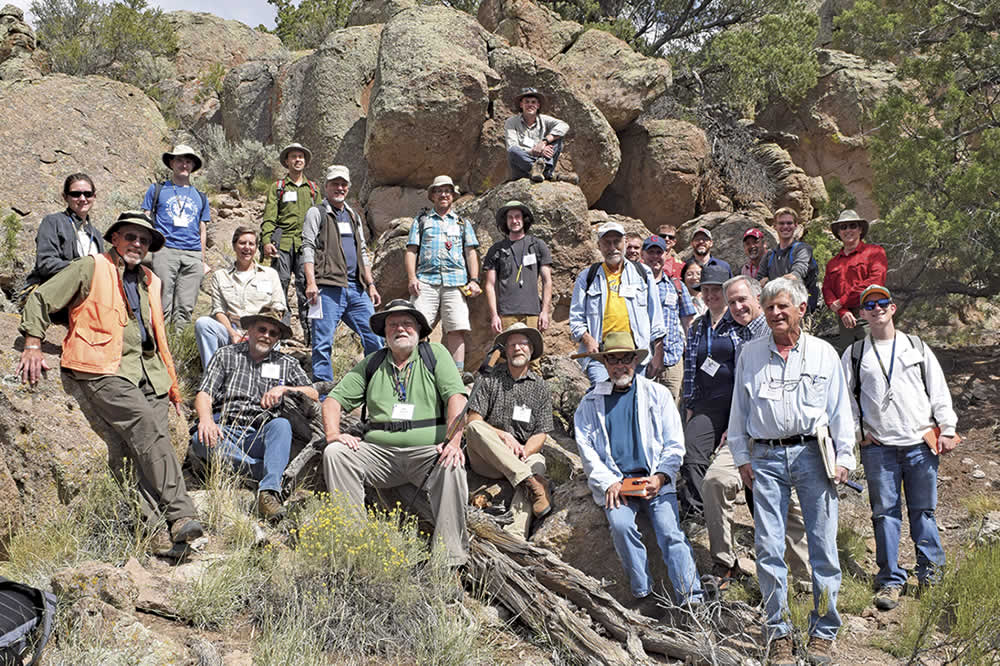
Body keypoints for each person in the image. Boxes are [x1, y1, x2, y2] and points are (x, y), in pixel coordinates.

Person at [17, 211, 203, 556]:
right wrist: (32, 344)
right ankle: (182, 513)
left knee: (150, 445)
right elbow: (42, 298)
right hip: (103, 367)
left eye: (144, 240)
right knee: (146, 429)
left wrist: (173, 385)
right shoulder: (91, 266)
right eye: (131, 237)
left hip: (150, 372)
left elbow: (158, 336)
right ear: (115, 238)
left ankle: (159, 535)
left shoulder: (150, 279)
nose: (137, 244)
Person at [728, 277, 856, 664]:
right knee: (768, 546)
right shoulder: (750, 354)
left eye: (782, 306)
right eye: (769, 308)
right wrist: (741, 457)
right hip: (765, 458)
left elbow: (840, 412)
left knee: (822, 545)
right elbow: (739, 411)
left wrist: (845, 456)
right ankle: (778, 631)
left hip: (813, 455)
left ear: (801, 308)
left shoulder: (823, 354)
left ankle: (823, 631)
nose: (775, 313)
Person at [321, 299, 469, 567]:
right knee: (336, 453)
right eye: (393, 325)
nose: (400, 329)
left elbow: (456, 398)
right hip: (378, 455)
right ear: (385, 333)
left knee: (452, 465)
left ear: (418, 329)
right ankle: (354, 548)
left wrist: (453, 442)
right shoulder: (372, 363)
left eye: (407, 323)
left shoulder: (435, 354)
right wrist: (333, 435)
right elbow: (333, 401)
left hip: (426, 454)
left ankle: (448, 561)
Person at [842, 285, 958, 612]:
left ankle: (931, 577)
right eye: (869, 305)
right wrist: (858, 433)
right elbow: (845, 401)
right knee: (885, 515)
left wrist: (947, 429)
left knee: (924, 512)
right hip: (879, 448)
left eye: (882, 303)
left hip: (920, 444)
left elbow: (938, 391)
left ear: (892, 308)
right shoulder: (854, 354)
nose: (876, 309)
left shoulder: (915, 347)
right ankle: (891, 580)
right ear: (862, 314)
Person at [573, 332, 704, 610]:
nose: (619, 366)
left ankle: (692, 600)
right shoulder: (589, 403)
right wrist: (608, 482)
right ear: (604, 363)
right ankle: (643, 594)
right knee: (621, 526)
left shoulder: (657, 394)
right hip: (618, 484)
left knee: (671, 532)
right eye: (612, 360)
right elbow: (587, 450)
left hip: (655, 479)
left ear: (635, 360)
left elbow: (674, 443)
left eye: (625, 359)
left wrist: (661, 476)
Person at [701, 276, 811, 591]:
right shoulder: (729, 335)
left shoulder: (777, 332)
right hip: (742, 433)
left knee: (786, 503)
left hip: (782, 437)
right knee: (715, 482)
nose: (737, 307)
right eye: (731, 301)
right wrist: (732, 432)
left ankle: (804, 580)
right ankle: (724, 562)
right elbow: (737, 395)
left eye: (742, 299)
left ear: (757, 299)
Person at [193, 307, 318, 520]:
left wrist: (285, 389)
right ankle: (262, 472)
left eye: (273, 333)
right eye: (262, 329)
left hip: (261, 432)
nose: (266, 336)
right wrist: (205, 419)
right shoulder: (226, 355)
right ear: (250, 330)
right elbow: (205, 393)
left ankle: (268, 493)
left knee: (281, 426)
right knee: (200, 440)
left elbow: (313, 392)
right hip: (226, 428)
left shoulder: (286, 363)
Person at [464, 323, 554, 537]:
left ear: (531, 350)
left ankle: (515, 533)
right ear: (506, 351)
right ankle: (532, 483)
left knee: (538, 462)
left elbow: (541, 432)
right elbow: (473, 419)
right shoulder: (489, 379)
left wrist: (525, 452)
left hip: (521, 455)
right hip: (488, 458)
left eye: (523, 344)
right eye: (512, 344)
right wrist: (502, 435)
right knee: (475, 427)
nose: (517, 348)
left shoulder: (540, 387)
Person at [302, 165, 383, 382]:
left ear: (348, 187)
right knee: (322, 342)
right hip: (326, 288)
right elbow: (307, 247)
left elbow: (363, 252)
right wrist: (311, 283)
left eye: (343, 184)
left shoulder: (353, 216)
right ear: (325, 186)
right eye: (335, 184)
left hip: (356, 289)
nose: (339, 188)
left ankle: (374, 384)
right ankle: (323, 393)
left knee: (375, 338)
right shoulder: (316, 212)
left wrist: (371, 285)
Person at [677, 263, 742, 522]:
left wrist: (738, 416)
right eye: (706, 289)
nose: (711, 295)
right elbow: (691, 368)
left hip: (736, 403)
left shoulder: (740, 325)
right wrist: (690, 404)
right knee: (692, 453)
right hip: (706, 404)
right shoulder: (697, 327)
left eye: (716, 289)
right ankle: (698, 514)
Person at [569, 221, 665, 385]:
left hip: (636, 355)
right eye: (607, 242)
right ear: (599, 246)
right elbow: (576, 319)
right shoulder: (587, 277)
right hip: (601, 357)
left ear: (625, 242)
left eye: (617, 241)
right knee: (603, 404)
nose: (612, 247)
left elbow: (656, 317)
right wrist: (588, 339)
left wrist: (658, 354)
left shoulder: (643, 273)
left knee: (636, 404)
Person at [405, 175, 481, 373]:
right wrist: (412, 278)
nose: (443, 194)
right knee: (416, 326)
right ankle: (414, 370)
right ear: (432, 196)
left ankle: (457, 374)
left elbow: (471, 252)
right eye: (439, 191)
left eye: (447, 191)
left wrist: (474, 280)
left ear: (453, 195)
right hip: (425, 282)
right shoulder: (421, 220)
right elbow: (411, 250)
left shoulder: (462, 223)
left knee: (456, 328)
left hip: (455, 282)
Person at [194, 226, 286, 369]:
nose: (247, 248)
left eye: (251, 244)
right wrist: (233, 334)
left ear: (256, 248)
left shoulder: (270, 274)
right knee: (203, 324)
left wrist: (257, 333)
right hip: (233, 332)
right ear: (234, 245)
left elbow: (279, 307)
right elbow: (219, 310)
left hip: (261, 333)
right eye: (242, 243)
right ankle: (212, 377)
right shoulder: (220, 276)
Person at [142, 144, 211, 330]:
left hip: (193, 253)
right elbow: (146, 220)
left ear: (193, 166)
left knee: (185, 307)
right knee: (162, 304)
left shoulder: (201, 197)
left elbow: (202, 230)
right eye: (180, 160)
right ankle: (159, 348)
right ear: (171, 162)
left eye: (188, 161)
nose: (184, 164)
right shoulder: (157, 189)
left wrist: (202, 261)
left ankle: (177, 349)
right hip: (165, 250)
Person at [260, 143, 322, 344]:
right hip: (283, 243)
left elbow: (322, 219)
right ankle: (281, 332)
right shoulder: (278, 187)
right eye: (294, 156)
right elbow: (270, 216)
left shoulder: (313, 189)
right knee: (280, 285)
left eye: (301, 157)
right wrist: (267, 240)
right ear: (286, 161)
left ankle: (312, 335)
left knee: (308, 286)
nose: (298, 160)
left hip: (307, 244)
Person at [23, 173, 104, 292]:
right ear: (65, 197)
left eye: (88, 194)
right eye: (76, 194)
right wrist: (83, 266)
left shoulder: (95, 234)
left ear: (94, 196)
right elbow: (46, 263)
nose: (82, 199)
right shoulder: (53, 222)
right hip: (57, 296)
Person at [823, 210, 888, 354]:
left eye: (852, 226)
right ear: (838, 232)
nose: (848, 230)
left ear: (860, 229)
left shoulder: (875, 252)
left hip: (871, 312)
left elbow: (875, 283)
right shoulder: (832, 263)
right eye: (843, 227)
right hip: (845, 320)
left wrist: (843, 301)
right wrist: (842, 311)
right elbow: (827, 290)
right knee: (849, 359)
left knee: (875, 357)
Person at [482, 201, 552, 335]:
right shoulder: (496, 249)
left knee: (532, 353)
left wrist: (545, 311)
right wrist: (494, 315)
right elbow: (489, 285)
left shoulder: (537, 245)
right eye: (510, 217)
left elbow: (547, 281)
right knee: (509, 352)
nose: (514, 221)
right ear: (505, 221)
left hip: (533, 313)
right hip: (507, 314)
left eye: (517, 216)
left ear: (524, 219)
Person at [640, 235, 695, 403]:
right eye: (651, 252)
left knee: (671, 408)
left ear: (666, 255)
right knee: (642, 407)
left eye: (659, 252)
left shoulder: (676, 286)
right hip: (642, 360)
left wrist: (692, 354)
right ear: (643, 254)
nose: (655, 256)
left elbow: (688, 322)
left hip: (672, 358)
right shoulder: (635, 285)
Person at [504, 87, 576, 183]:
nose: (530, 105)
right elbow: (511, 145)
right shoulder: (511, 122)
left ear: (538, 105)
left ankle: (542, 171)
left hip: (542, 161)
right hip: (523, 167)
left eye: (533, 102)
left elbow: (564, 125)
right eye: (527, 102)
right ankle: (547, 174)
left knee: (557, 139)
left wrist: (544, 142)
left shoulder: (544, 119)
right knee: (513, 151)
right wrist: (534, 151)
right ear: (521, 104)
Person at [758, 208, 819, 313]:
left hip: (798, 309)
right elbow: (758, 283)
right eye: (781, 223)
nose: (785, 226)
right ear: (775, 226)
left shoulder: (803, 249)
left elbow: (796, 275)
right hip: (775, 310)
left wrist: (768, 282)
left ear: (796, 225)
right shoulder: (769, 255)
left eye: (789, 223)